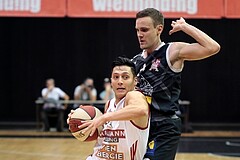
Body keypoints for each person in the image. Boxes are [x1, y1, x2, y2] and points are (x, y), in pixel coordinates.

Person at [131, 8, 221, 159]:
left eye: (144, 30)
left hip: (164, 125)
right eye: (137, 30)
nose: (140, 34)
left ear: (159, 29)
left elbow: (213, 47)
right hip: (141, 124)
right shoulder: (135, 61)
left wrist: (185, 27)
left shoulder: (171, 51)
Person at [68, 57, 150, 160]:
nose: (120, 81)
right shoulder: (109, 104)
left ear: (135, 81)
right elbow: (106, 136)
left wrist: (104, 118)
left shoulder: (133, 96)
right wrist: (78, 120)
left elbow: (141, 110)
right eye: (116, 77)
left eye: (125, 77)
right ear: (111, 81)